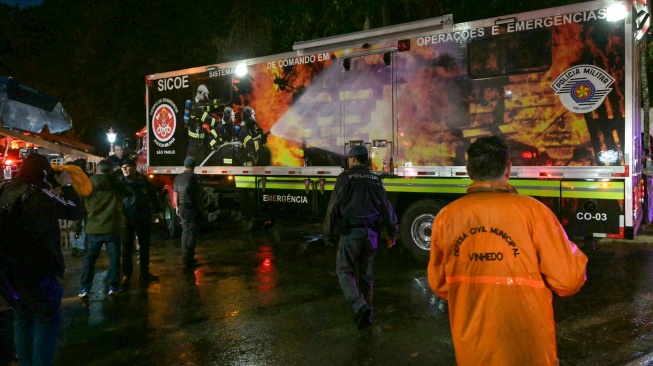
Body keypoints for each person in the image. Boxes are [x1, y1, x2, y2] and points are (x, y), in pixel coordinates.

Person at [427, 136, 588, 366]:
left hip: (473, 351)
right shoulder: (535, 212)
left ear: (469, 170)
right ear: (509, 168)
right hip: (529, 351)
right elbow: (569, 280)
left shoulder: (446, 218)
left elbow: (440, 283)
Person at [0, 153, 82, 365]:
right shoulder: (41, 195)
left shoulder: (5, 191)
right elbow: (74, 211)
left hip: (11, 271)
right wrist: (66, 185)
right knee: (46, 321)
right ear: (44, 171)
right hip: (40, 269)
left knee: (22, 319)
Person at [324, 145, 398, 330]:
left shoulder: (346, 178)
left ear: (354, 159)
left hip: (351, 233)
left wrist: (328, 233)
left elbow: (334, 207)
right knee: (366, 274)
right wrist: (392, 232)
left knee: (344, 270)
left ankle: (360, 306)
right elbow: (386, 207)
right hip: (372, 234)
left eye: (349, 159)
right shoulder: (375, 179)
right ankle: (366, 315)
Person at [78, 159, 130, 298]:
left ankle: (85, 288)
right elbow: (128, 193)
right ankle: (113, 286)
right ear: (111, 170)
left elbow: (81, 207)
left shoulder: (88, 183)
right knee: (114, 259)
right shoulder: (116, 183)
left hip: (93, 227)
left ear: (98, 169)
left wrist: (76, 226)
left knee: (89, 259)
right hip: (113, 227)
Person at [119, 158, 162, 286]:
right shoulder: (120, 182)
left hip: (143, 217)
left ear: (134, 167)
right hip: (126, 219)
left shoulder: (144, 180)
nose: (125, 169)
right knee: (126, 247)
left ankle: (144, 273)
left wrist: (157, 210)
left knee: (144, 246)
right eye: (122, 167)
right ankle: (127, 274)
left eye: (127, 166)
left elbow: (153, 195)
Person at [174, 157, 205, 271]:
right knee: (192, 234)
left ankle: (185, 258)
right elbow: (198, 195)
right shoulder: (194, 177)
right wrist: (202, 208)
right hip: (192, 209)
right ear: (194, 166)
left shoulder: (178, 177)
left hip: (182, 208)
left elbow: (175, 194)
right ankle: (189, 260)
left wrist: (177, 207)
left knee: (185, 232)